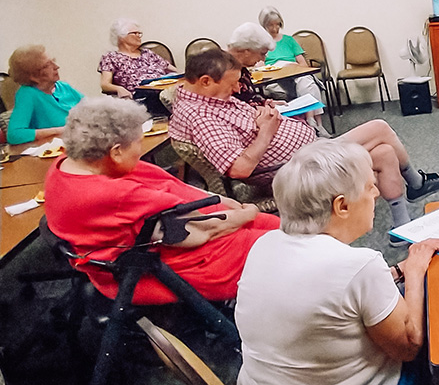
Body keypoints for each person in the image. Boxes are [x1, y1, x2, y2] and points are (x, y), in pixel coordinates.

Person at [235, 140, 439, 385]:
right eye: (369, 187)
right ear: (342, 206)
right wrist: (416, 270)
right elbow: (409, 346)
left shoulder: (265, 244)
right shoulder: (358, 265)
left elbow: (330, 295)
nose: (377, 193)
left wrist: (395, 272)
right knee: (428, 332)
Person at [168, 48, 439, 227]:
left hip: (308, 150)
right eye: (231, 85)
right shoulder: (200, 117)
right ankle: (416, 182)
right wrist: (266, 132)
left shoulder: (212, 100)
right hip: (297, 167)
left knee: (385, 152)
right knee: (379, 127)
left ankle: (400, 227)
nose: (235, 89)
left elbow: (239, 123)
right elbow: (240, 169)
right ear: (205, 81)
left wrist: (264, 111)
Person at [44, 97, 278, 304]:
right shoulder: (112, 194)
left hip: (177, 231)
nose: (140, 151)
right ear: (115, 151)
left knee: (282, 228)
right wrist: (248, 213)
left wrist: (226, 203)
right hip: (174, 260)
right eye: (137, 143)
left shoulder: (71, 165)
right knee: (291, 247)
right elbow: (197, 233)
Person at [6, 44, 83, 145]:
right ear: (33, 76)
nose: (56, 67)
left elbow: (93, 110)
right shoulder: (27, 94)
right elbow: (14, 135)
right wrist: (60, 130)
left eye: (53, 62)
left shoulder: (63, 87)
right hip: (55, 150)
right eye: (47, 65)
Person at [258, 6, 325, 103]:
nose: (275, 28)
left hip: (294, 73)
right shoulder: (261, 44)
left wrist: (293, 66)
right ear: (264, 25)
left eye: (277, 24)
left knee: (308, 83)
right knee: (288, 88)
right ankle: (308, 115)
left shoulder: (289, 40)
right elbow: (261, 68)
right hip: (276, 78)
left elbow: (303, 65)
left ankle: (312, 117)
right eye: (270, 25)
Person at [98, 18, 177, 99]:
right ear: (121, 37)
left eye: (139, 33)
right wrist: (119, 89)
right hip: (141, 97)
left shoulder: (147, 53)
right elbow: (105, 84)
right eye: (135, 33)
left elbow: (174, 71)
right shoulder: (111, 57)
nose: (139, 36)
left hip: (165, 90)